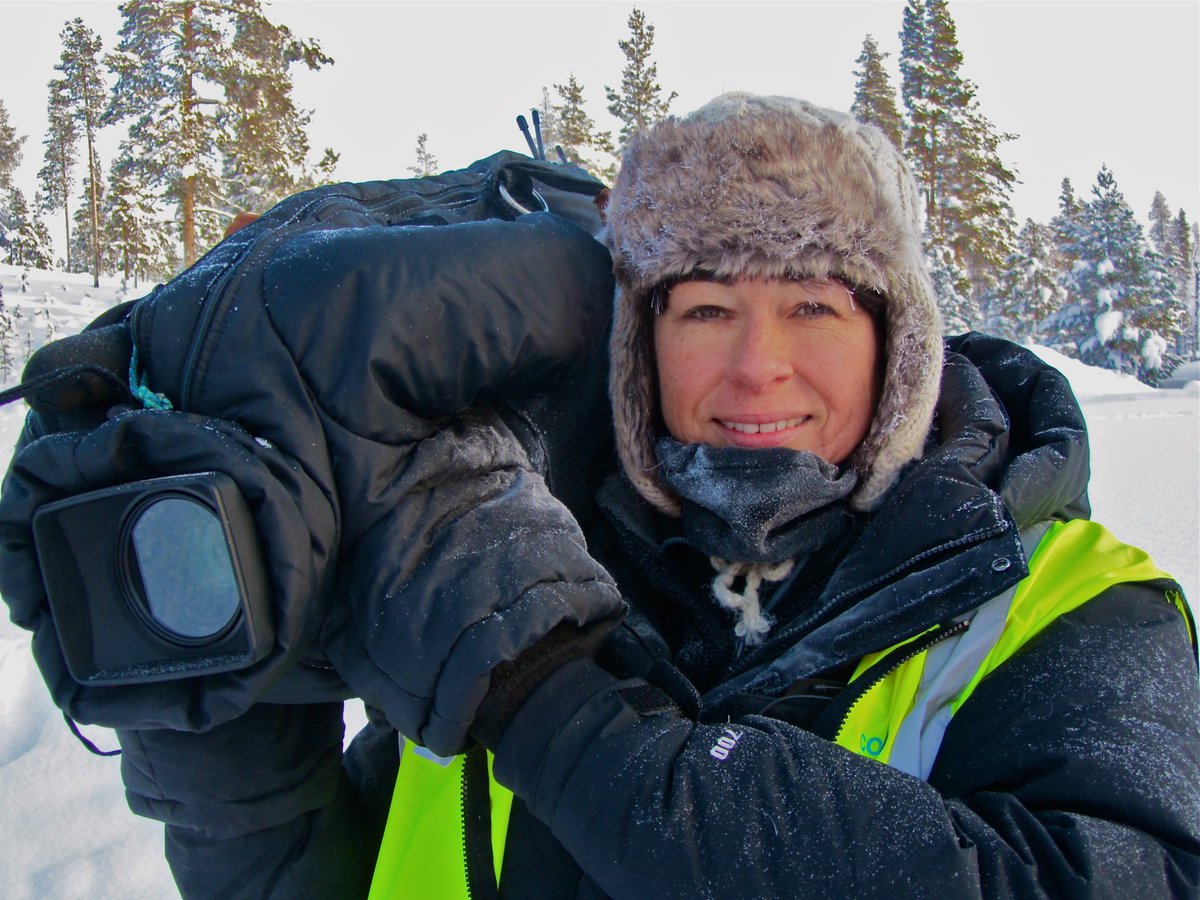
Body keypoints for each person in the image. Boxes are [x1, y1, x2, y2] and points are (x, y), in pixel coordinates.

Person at [11, 94, 1196, 898]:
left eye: (814, 309)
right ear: (638, 348)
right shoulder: (530, 560)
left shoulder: (1074, 615)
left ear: (902, 344)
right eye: (705, 310)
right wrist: (223, 734)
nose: (755, 367)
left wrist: (546, 693)